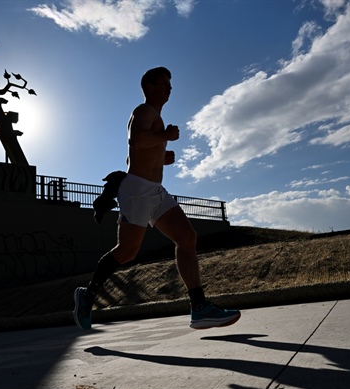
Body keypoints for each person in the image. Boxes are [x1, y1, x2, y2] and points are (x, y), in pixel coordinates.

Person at [73, 66, 241, 331]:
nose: (169, 88)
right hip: (138, 190)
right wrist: (164, 137)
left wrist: (161, 157)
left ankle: (199, 308)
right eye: (164, 83)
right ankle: (88, 295)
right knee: (127, 252)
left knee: (187, 238)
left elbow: (133, 157)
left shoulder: (155, 117)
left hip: (155, 190)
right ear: (149, 87)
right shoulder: (143, 112)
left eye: (170, 85)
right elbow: (137, 141)